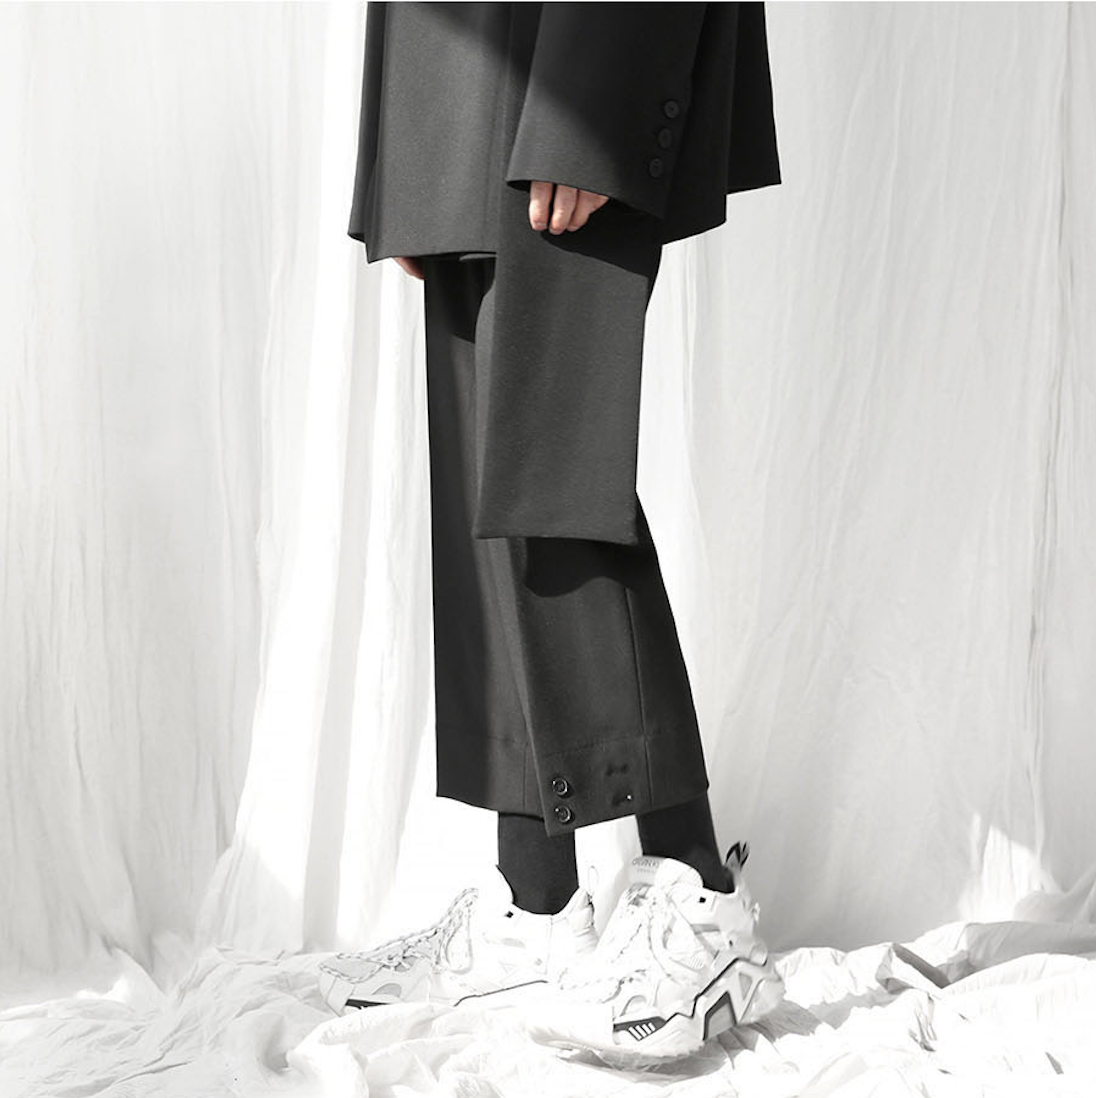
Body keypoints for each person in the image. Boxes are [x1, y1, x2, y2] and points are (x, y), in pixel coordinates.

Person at [319, 1, 785, 1064]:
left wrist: (599, 100)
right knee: (491, 480)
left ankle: (702, 908)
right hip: (463, 73)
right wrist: (410, 154)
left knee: (555, 473)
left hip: (569, 58)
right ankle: (535, 911)